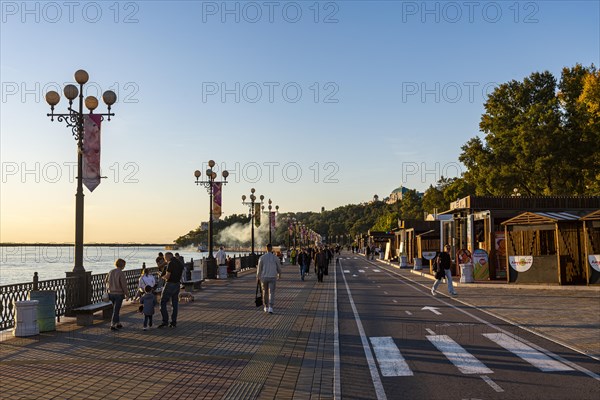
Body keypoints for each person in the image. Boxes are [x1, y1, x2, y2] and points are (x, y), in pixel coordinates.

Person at [159, 252, 184, 328]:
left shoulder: (170, 263)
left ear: (167, 257)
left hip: (170, 284)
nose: (165, 260)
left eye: (165, 258)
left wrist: (161, 276)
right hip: (177, 284)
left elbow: (167, 276)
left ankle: (165, 321)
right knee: (174, 304)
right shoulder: (179, 263)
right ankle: (173, 322)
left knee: (162, 302)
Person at [105, 258, 130, 331]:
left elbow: (105, 281)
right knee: (116, 310)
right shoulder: (121, 273)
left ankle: (118, 323)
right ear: (122, 265)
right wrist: (127, 294)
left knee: (115, 309)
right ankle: (112, 324)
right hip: (119, 294)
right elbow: (124, 285)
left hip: (111, 293)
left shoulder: (111, 271)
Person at [256, 243, 282, 314]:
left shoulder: (262, 257)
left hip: (264, 277)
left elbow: (259, 268)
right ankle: (271, 307)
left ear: (266, 248)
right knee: (272, 292)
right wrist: (279, 274)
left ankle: (266, 306)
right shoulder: (275, 257)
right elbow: (279, 267)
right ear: (271, 248)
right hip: (273, 276)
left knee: (265, 292)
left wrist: (258, 276)